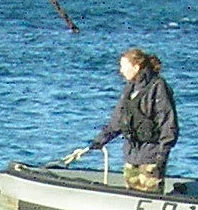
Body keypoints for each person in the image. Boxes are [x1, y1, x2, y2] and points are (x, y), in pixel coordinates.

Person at [66, 48, 179, 193]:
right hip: (131, 154)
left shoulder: (158, 87)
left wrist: (161, 155)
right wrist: (99, 141)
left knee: (150, 194)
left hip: (151, 154)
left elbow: (168, 123)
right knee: (131, 192)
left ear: (136, 67)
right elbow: (117, 121)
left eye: (124, 66)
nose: (121, 71)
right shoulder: (129, 89)